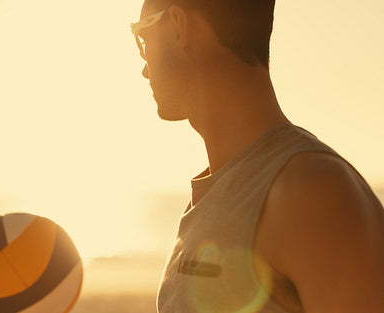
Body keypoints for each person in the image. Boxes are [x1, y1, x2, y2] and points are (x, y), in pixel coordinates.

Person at [130, 0, 384, 312]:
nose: (144, 67)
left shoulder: (313, 192)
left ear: (179, 27)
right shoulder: (214, 195)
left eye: (142, 35)